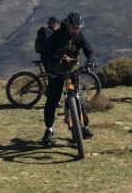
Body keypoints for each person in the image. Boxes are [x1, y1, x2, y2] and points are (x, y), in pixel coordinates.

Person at [40, 11, 94, 146]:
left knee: (78, 98)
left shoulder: (79, 35)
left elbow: (88, 49)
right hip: (56, 71)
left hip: (72, 69)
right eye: (73, 28)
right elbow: (45, 53)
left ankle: (83, 126)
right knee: (52, 100)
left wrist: (90, 60)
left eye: (78, 28)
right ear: (68, 25)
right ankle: (49, 129)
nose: (75, 31)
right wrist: (53, 63)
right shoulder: (56, 36)